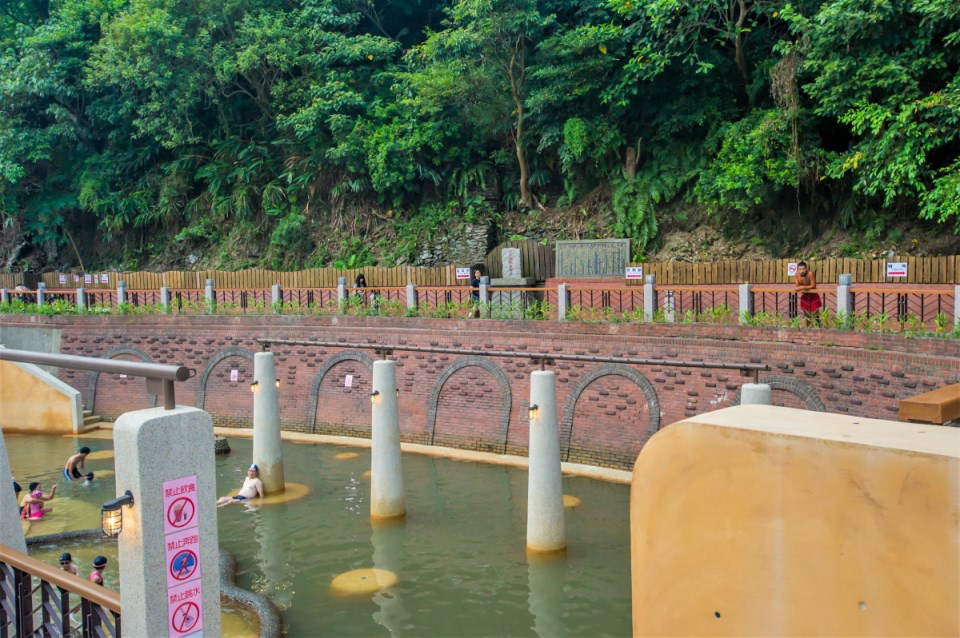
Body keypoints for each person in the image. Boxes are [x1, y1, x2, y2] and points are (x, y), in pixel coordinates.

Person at [794, 261, 821, 326]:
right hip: (805, 296)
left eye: (803, 269)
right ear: (798, 269)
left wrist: (802, 287)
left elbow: (813, 286)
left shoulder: (810, 274)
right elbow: (797, 286)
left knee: (815, 315)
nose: (802, 271)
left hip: (814, 296)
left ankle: (819, 328)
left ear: (806, 269)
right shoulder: (796, 274)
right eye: (800, 269)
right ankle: (809, 330)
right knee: (807, 316)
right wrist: (802, 287)